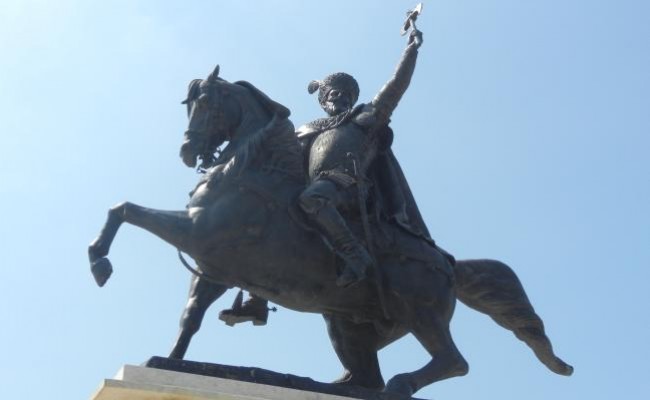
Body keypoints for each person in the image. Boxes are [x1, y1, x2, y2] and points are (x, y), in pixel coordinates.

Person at [220, 28, 439, 324]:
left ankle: (356, 256)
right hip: (309, 187)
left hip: (348, 187)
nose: (340, 97)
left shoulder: (365, 118)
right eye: (334, 93)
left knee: (313, 198)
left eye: (347, 94)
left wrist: (411, 51)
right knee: (264, 217)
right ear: (324, 100)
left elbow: (396, 87)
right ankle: (256, 300)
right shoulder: (305, 129)